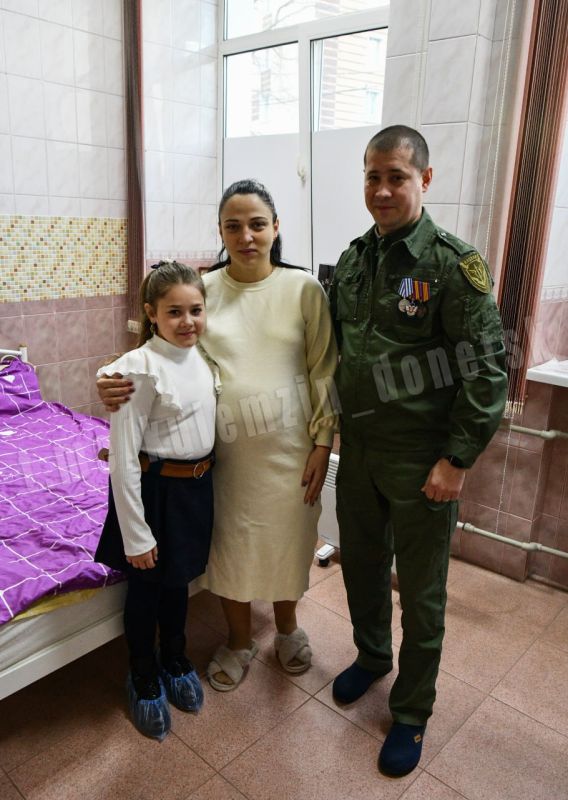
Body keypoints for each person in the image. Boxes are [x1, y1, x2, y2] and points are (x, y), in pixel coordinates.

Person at [98, 180, 338, 693]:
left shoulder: (304, 290)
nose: (246, 236)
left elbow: (324, 370)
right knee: (230, 548)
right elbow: (166, 349)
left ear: (276, 227)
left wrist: (324, 442)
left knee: (289, 542)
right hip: (222, 455)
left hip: (292, 451)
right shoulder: (205, 288)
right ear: (221, 232)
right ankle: (239, 639)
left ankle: (288, 629)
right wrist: (111, 375)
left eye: (257, 224)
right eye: (234, 226)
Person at [328, 125, 508, 777]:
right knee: (361, 567)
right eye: (372, 177)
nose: (382, 190)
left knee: (423, 592)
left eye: (396, 177)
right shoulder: (354, 260)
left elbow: (487, 370)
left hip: (422, 460)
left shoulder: (452, 265)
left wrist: (457, 461)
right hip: (360, 452)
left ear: (424, 180)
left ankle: (410, 711)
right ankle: (373, 655)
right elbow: (339, 353)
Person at [95, 260, 218, 741]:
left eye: (195, 310)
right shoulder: (137, 370)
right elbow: (123, 458)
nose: (187, 322)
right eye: (174, 312)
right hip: (154, 491)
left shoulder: (200, 356)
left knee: (177, 583)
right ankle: (143, 671)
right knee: (146, 588)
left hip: (194, 491)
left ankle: (175, 657)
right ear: (151, 313)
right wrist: (136, 534)